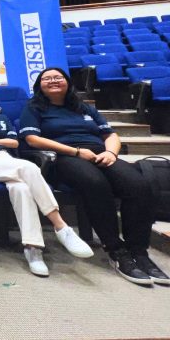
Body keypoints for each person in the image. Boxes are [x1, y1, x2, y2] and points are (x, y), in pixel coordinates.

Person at [20, 67, 168, 286]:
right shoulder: (34, 107)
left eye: (58, 77)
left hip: (100, 154)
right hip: (64, 157)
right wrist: (76, 152)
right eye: (47, 78)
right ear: (39, 85)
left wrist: (111, 153)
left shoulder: (84, 107)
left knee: (138, 185)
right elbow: (32, 139)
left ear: (67, 82)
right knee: (95, 183)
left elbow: (110, 135)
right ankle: (116, 251)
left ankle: (139, 251)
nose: (53, 80)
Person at [0, 80, 93, 276]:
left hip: (9, 161)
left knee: (21, 188)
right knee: (29, 168)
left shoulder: (2, 117)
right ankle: (61, 226)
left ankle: (33, 249)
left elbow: (13, 143)